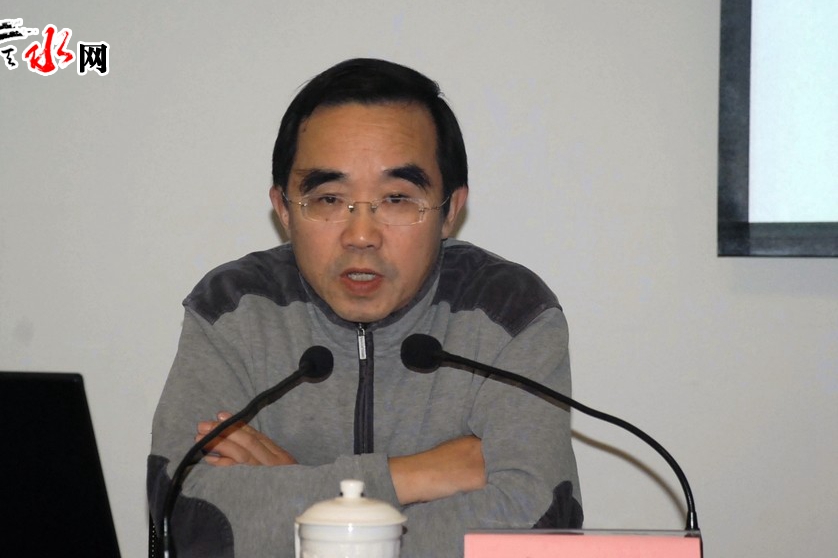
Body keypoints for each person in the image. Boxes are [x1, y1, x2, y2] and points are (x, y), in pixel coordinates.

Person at [148, 58, 582, 557]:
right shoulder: (234, 309)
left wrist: (297, 492)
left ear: (450, 211)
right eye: (329, 199)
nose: (360, 235)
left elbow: (536, 526)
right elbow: (190, 522)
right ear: (285, 210)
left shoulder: (511, 313)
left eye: (397, 198)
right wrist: (413, 476)